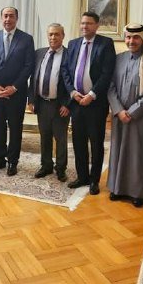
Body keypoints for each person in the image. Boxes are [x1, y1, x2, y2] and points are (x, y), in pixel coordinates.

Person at [60, 11, 116, 194]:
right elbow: (66, 71)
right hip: (76, 102)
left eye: (89, 23)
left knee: (96, 143)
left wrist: (91, 95)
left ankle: (94, 180)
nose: (85, 26)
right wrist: (72, 92)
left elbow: (107, 73)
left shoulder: (105, 44)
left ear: (97, 25)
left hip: (96, 104)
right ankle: (82, 176)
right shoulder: (73, 44)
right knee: (78, 142)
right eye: (83, 23)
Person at [107, 24, 143, 207]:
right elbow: (111, 86)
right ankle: (117, 188)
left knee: (139, 154)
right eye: (128, 37)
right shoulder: (118, 58)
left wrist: (131, 112)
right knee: (118, 151)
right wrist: (118, 110)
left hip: (141, 117)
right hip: (119, 115)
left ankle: (139, 193)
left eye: (136, 37)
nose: (131, 41)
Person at [0, 7, 35, 176]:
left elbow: (28, 66)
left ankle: (12, 161)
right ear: (1, 18)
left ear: (16, 18)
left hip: (16, 93)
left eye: (11, 16)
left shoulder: (26, 39)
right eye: (5, 16)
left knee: (15, 128)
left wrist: (14, 87)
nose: (8, 19)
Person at [28, 23, 70, 182]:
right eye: (51, 34)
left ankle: (61, 169)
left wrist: (68, 104)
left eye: (57, 34)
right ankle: (46, 165)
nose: (53, 37)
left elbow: (72, 82)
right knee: (44, 136)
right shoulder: (39, 53)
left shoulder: (69, 55)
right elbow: (33, 78)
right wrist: (31, 99)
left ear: (63, 36)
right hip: (42, 103)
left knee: (60, 138)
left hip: (60, 105)